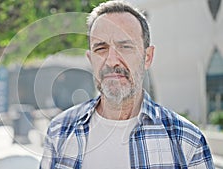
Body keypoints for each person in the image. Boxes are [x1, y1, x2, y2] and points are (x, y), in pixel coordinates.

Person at [40, 1, 214, 168]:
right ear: (90, 59)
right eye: (101, 48)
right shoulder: (59, 131)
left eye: (125, 47)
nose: (111, 61)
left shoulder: (187, 141)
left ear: (147, 57)